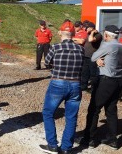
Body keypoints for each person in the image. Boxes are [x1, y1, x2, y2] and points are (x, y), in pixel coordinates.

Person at [39, 22, 84, 154]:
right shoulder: (81, 49)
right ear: (73, 34)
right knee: (71, 117)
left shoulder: (56, 47)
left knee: (48, 113)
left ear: (60, 33)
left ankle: (52, 145)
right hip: (75, 84)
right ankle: (66, 148)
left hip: (58, 82)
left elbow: (47, 63)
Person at [79, 25, 122, 149]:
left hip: (106, 80)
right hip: (119, 80)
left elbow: (93, 57)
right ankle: (112, 139)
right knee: (111, 110)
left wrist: (98, 58)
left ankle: (89, 139)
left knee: (94, 109)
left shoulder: (107, 45)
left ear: (106, 35)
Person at [80, 22, 102, 91]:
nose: (85, 29)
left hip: (93, 57)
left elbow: (91, 40)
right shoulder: (88, 34)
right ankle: (83, 86)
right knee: (84, 72)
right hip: (86, 56)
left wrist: (92, 33)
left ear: (92, 28)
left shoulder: (98, 35)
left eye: (87, 27)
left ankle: (93, 88)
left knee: (93, 74)